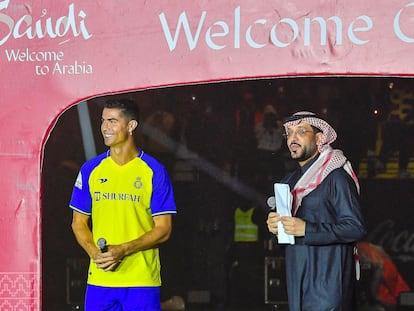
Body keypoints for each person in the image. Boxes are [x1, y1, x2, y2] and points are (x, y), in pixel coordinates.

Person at [69, 98, 177, 310]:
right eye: (102, 121)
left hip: (141, 281)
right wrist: (95, 254)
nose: (105, 128)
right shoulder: (91, 169)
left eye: (112, 121)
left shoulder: (154, 171)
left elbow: (164, 229)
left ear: (131, 126)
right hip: (100, 282)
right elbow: (78, 223)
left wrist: (124, 249)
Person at [266, 111, 366, 311]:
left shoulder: (335, 178)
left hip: (328, 288)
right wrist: (275, 227)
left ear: (320, 138)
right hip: (298, 285)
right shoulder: (289, 181)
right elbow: (287, 237)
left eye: (302, 131)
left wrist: (307, 229)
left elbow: (355, 228)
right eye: (290, 133)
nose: (293, 138)